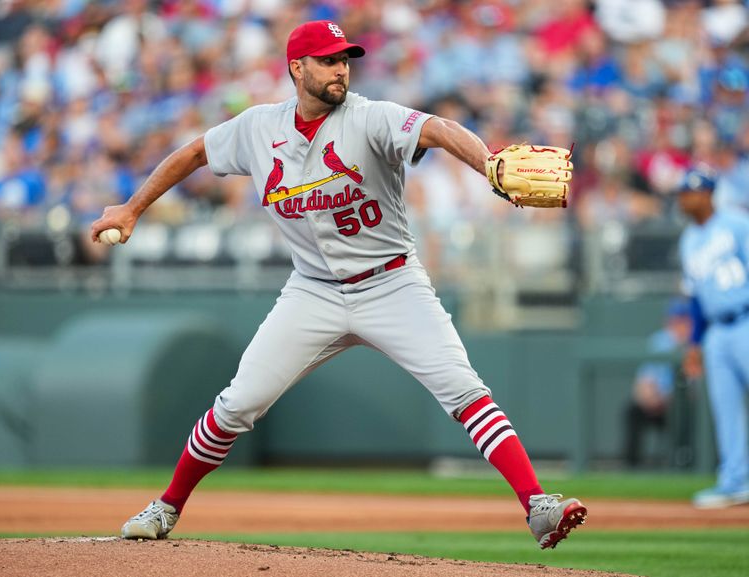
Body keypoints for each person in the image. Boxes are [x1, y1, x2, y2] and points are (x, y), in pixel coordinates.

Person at [91, 20, 587, 549]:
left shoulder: (372, 118)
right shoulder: (258, 128)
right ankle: (166, 506)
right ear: (296, 68)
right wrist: (132, 207)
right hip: (312, 291)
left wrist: (487, 162)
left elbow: (439, 129)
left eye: (345, 60)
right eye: (328, 60)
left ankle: (537, 506)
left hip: (392, 283)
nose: (340, 69)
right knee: (236, 405)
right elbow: (193, 152)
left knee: (465, 391)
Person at [676, 167, 749, 509]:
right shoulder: (688, 239)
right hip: (717, 332)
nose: (685, 199)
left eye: (692, 192)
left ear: (708, 194)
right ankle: (735, 480)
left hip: (745, 319)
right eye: (683, 193)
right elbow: (694, 299)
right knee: (726, 408)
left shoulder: (737, 223)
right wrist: (695, 344)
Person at [623, 298, 691, 469]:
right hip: (656, 402)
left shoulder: (696, 343)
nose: (678, 326)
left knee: (685, 414)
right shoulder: (659, 341)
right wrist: (650, 398)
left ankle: (684, 465)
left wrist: (669, 399)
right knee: (633, 410)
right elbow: (644, 381)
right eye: (675, 321)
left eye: (683, 321)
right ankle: (631, 468)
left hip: (683, 407)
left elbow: (694, 390)